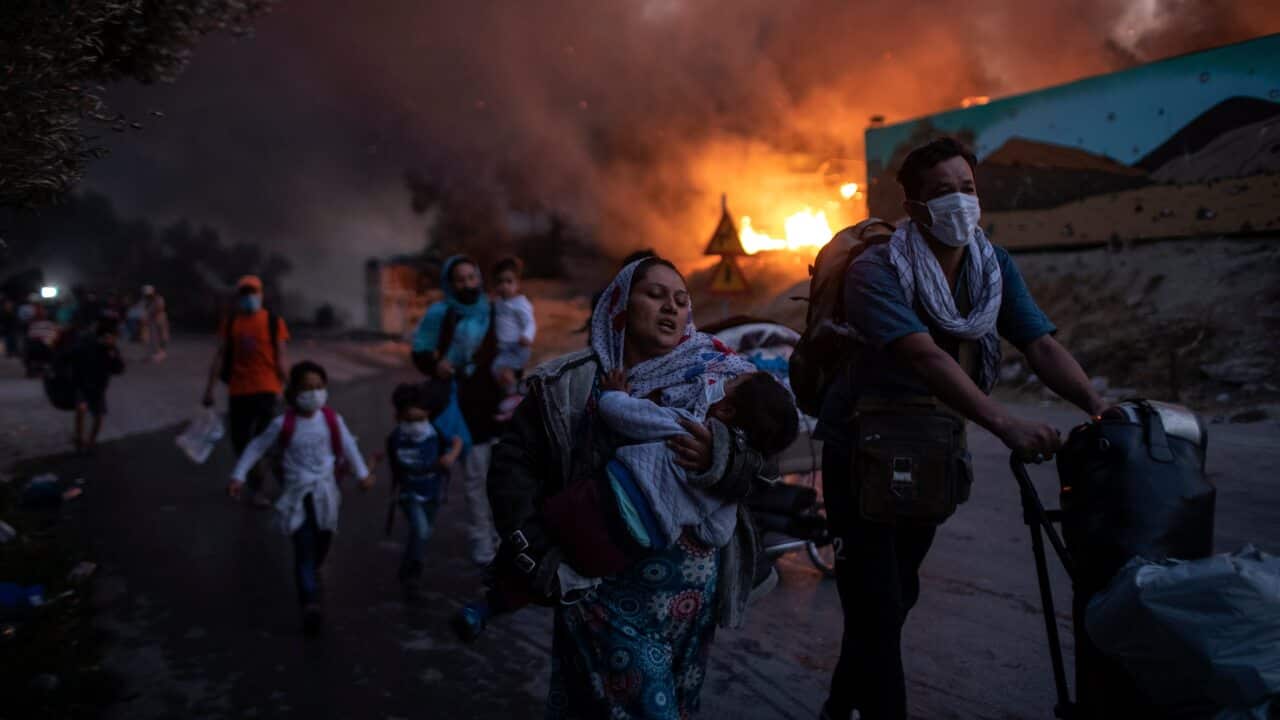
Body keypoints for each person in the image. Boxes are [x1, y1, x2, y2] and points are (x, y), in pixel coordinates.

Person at [814, 137, 1107, 720]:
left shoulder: (991, 265)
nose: (960, 203)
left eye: (967, 189)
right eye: (942, 192)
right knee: (877, 602)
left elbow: (1039, 343)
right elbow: (925, 357)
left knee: (894, 598)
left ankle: (837, 707)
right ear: (915, 207)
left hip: (931, 454)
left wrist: (1098, 409)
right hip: (862, 453)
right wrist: (1006, 425)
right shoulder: (876, 269)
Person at [487, 256, 778, 718]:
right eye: (655, 295)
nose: (671, 308)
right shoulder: (571, 383)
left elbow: (770, 455)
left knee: (675, 707)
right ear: (620, 303)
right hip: (601, 590)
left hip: (691, 604)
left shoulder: (725, 375)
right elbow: (513, 462)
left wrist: (722, 458)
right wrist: (533, 543)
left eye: (681, 300)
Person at [454, 366, 796, 642]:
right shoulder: (728, 489)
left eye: (731, 382)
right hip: (628, 545)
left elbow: (618, 412)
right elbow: (716, 534)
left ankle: (485, 607)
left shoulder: (684, 426)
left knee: (537, 547)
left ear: (725, 408)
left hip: (592, 501)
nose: (723, 380)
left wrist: (617, 391)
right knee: (572, 572)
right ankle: (503, 602)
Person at [228, 361, 374, 635]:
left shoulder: (332, 420)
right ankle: (309, 602)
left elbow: (349, 446)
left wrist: (362, 473)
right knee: (304, 547)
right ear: (293, 392)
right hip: (298, 495)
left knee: (323, 539)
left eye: (319, 387)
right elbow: (257, 446)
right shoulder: (282, 424)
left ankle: (312, 572)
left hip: (326, 494)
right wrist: (238, 475)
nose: (314, 393)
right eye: (307, 388)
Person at [411, 255, 503, 566]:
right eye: (459, 279)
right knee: (477, 479)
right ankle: (483, 543)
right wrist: (437, 365)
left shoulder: (494, 309)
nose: (467, 284)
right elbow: (420, 351)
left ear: (479, 279)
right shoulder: (441, 313)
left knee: (502, 479)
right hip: (462, 406)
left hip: (497, 405)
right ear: (450, 284)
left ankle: (504, 540)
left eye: (471, 277)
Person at [203, 275, 290, 508]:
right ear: (239, 296)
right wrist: (209, 389)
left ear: (261, 293)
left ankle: (276, 486)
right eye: (244, 292)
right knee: (241, 442)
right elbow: (220, 356)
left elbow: (281, 360)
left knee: (266, 441)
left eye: (252, 292)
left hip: (267, 390)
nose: (249, 296)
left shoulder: (273, 321)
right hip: (239, 391)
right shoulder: (231, 322)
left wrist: (291, 389)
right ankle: (258, 484)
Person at [386, 381, 463, 600]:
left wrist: (450, 457)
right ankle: (414, 572)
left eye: (420, 419)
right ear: (399, 417)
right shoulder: (396, 438)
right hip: (409, 494)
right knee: (421, 530)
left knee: (420, 533)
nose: (416, 425)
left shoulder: (434, 433)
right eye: (409, 420)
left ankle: (407, 568)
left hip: (432, 492)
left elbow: (456, 443)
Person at [69, 318, 126, 453]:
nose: (112, 339)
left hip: (98, 386)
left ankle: (91, 442)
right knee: (81, 408)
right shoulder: (86, 343)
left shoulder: (110, 349)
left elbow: (119, 369)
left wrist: (112, 354)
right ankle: (79, 439)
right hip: (82, 382)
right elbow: (72, 356)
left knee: (98, 414)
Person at [489, 256, 536, 421]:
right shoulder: (499, 302)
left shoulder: (520, 303)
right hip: (505, 347)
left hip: (518, 346)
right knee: (498, 371)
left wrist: (527, 335)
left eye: (509, 282)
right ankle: (513, 401)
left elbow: (530, 322)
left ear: (518, 283)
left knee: (500, 369)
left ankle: (517, 397)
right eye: (500, 282)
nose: (504, 286)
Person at [24, 304, 59, 377]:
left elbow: (54, 335)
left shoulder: (50, 324)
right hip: (36, 346)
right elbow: (30, 335)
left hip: (46, 346)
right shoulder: (33, 324)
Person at [142, 285, 170, 361]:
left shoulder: (159, 299)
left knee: (162, 336)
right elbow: (147, 310)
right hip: (152, 321)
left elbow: (159, 308)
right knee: (154, 337)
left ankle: (161, 353)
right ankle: (156, 353)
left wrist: (150, 313)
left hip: (160, 320)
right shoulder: (147, 301)